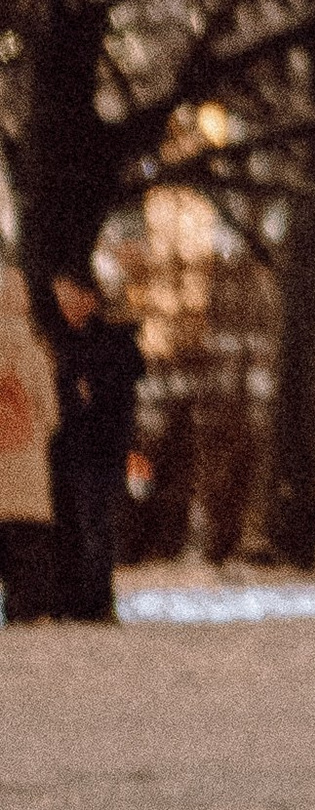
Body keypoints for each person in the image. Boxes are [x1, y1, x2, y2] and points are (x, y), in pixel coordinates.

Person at [47, 266, 143, 621]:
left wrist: (87, 395)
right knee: (79, 523)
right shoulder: (66, 341)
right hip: (74, 449)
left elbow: (102, 399)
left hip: (96, 450)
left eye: (70, 296)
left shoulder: (103, 344)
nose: (65, 305)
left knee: (93, 523)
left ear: (90, 298)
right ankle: (79, 599)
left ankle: (96, 601)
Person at [0, 264, 57, 622]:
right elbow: (48, 409)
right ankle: (25, 608)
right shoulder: (33, 349)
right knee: (26, 542)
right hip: (26, 459)